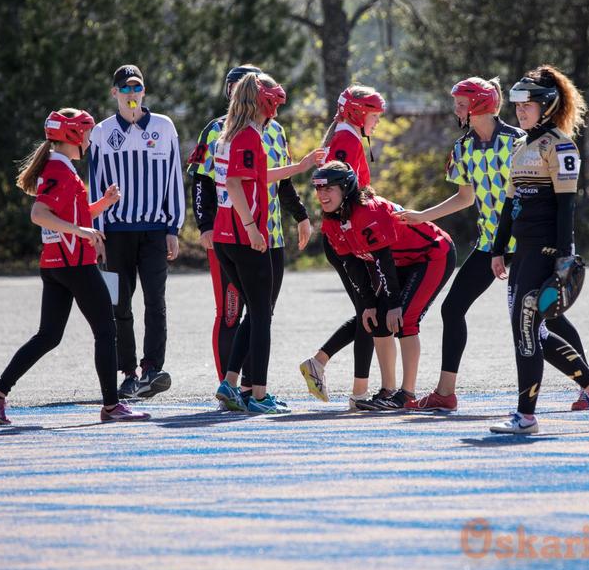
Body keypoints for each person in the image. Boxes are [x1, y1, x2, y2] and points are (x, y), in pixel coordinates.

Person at [395, 77, 589, 413]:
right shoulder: (462, 148)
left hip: (529, 242)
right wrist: (423, 216)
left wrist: (561, 248)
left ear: (480, 105)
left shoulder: (519, 141)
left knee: (548, 316)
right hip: (492, 242)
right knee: (452, 309)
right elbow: (464, 197)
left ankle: (588, 388)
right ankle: (445, 393)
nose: (456, 110)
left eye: (461, 104)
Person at [0, 108, 149, 425]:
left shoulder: (58, 167)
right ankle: (112, 406)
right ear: (73, 135)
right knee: (106, 330)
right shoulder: (59, 169)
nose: (89, 139)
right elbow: (39, 214)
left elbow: (73, 214)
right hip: (75, 264)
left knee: (48, 336)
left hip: (56, 264)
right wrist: (81, 232)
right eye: (86, 133)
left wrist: (102, 205)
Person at [487, 66, 589, 434]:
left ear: (547, 106)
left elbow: (565, 207)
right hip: (522, 251)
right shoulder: (520, 145)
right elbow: (510, 204)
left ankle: (526, 416)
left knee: (526, 332)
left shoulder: (560, 145)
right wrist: (498, 248)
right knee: (532, 332)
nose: (520, 112)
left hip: (544, 250)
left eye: (527, 106)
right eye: (517, 106)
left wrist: (563, 255)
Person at [188, 64, 312, 404]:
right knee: (257, 316)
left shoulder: (239, 133)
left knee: (256, 313)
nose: (277, 110)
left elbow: (258, 175)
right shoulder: (242, 134)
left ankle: (230, 383)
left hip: (240, 236)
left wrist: (300, 169)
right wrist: (249, 228)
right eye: (274, 103)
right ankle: (257, 394)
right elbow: (231, 183)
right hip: (244, 235)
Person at [312, 161, 456, 410]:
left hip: (432, 254)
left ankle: (406, 394)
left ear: (345, 189)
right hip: (402, 261)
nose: (322, 195)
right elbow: (353, 267)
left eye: (329, 189)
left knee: (404, 319)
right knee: (377, 319)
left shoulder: (367, 211)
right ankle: (388, 390)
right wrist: (369, 304)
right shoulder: (331, 221)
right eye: (318, 189)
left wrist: (395, 303)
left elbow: (383, 261)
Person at [89, 64, 185, 400]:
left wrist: (173, 227)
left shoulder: (163, 126)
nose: (132, 94)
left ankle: (152, 369)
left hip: (155, 230)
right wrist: (96, 232)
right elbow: (95, 183)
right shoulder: (101, 132)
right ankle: (128, 372)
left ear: (144, 91)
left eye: (137, 88)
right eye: (125, 88)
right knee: (119, 303)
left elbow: (174, 178)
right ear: (114, 92)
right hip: (115, 232)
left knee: (155, 301)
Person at [298, 86, 385, 409]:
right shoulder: (347, 139)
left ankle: (322, 365)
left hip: (347, 236)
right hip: (347, 238)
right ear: (358, 113)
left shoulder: (346, 136)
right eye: (374, 115)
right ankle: (357, 393)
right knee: (369, 314)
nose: (377, 122)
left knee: (367, 313)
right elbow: (342, 198)